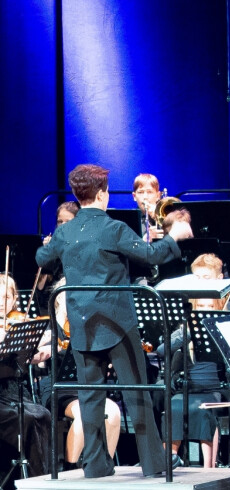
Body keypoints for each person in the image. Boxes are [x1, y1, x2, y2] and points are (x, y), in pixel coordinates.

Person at [36, 164, 194, 478]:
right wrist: (174, 237)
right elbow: (150, 255)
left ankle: (96, 465)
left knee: (90, 397)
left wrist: (50, 247)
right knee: (137, 391)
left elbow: (43, 259)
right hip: (118, 324)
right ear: (101, 194)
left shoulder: (66, 232)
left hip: (82, 324)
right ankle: (154, 463)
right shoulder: (113, 228)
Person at [36, 277, 122, 470]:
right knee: (85, 414)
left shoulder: (87, 327)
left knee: (113, 412)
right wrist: (47, 348)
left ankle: (104, 466)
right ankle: (70, 469)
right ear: (59, 299)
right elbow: (35, 360)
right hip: (56, 387)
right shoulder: (48, 327)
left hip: (85, 385)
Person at [0, 274, 52, 480]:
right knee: (26, 418)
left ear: (14, 299)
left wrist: (40, 352)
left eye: (6, 297)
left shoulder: (17, 324)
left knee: (42, 414)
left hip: (14, 391)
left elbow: (29, 359)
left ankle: (38, 479)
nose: (1, 303)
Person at [131, 173, 164, 241]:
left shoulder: (168, 216)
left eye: (149, 192)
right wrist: (146, 239)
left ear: (158, 196)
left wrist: (157, 216)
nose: (145, 197)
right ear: (134, 196)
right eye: (140, 192)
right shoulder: (129, 221)